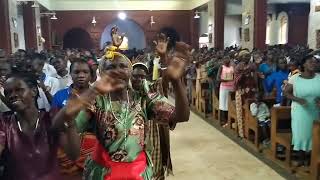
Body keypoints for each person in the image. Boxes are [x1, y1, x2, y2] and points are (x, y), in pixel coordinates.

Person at [52, 39, 190, 179]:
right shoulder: (97, 101)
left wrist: (176, 81)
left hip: (138, 174)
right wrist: (73, 112)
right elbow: (67, 141)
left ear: (130, 71)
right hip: (104, 174)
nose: (117, 71)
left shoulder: (142, 98)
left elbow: (181, 116)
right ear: (102, 73)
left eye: (122, 66)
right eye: (111, 67)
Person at [0, 73, 73, 180]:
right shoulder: (4, 122)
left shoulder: (50, 118)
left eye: (19, 90)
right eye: (8, 92)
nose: (12, 95)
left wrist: (71, 123)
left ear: (33, 91)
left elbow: (72, 153)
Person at [52, 59, 96, 179]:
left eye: (85, 72)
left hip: (93, 152)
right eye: (76, 72)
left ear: (91, 75)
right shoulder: (59, 95)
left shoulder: (98, 96)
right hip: (66, 151)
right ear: (70, 74)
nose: (81, 75)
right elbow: (55, 125)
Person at [284, 55, 320, 166]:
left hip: (316, 110)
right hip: (300, 111)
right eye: (310, 62)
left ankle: (311, 159)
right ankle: (301, 158)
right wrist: (298, 99)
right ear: (304, 64)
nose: (313, 64)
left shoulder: (319, 77)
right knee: (301, 134)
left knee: (314, 134)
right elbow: (286, 93)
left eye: (315, 62)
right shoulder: (295, 78)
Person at [234, 50, 258, 138]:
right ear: (241, 58)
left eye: (248, 56)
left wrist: (257, 87)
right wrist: (244, 73)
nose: (247, 57)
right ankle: (242, 132)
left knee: (251, 110)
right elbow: (236, 82)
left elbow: (255, 78)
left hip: (251, 90)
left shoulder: (253, 65)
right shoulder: (237, 67)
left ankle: (251, 131)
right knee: (241, 111)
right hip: (241, 91)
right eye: (245, 56)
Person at [216, 55, 234, 124]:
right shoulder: (221, 67)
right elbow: (218, 78)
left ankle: (230, 119)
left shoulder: (232, 67)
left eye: (228, 59)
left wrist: (232, 80)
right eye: (225, 59)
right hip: (224, 87)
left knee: (230, 103)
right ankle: (223, 120)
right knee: (223, 104)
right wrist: (226, 80)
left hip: (231, 87)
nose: (227, 61)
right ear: (223, 61)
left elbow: (234, 76)